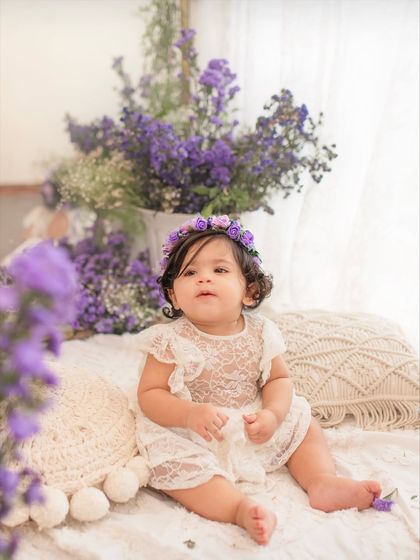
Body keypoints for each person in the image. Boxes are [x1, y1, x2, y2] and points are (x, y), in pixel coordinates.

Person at [136, 214, 381, 545]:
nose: (203, 279)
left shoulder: (262, 332)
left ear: (249, 291)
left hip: (253, 421)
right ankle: (238, 508)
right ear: (174, 295)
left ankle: (321, 481)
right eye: (190, 272)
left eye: (219, 270)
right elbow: (150, 393)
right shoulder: (170, 340)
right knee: (172, 463)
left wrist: (273, 414)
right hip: (195, 430)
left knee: (302, 421)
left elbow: (278, 380)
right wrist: (188, 414)